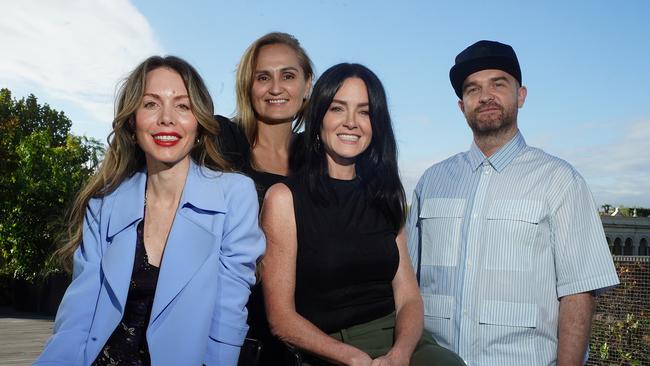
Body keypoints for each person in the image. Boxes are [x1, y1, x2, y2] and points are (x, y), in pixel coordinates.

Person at [35, 56, 264, 365]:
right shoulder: (103, 203)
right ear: (132, 122)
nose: (166, 118)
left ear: (199, 121)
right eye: (151, 104)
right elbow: (78, 316)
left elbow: (228, 316)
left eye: (182, 106)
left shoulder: (235, 195)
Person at [406, 40, 620, 365]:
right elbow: (406, 286)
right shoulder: (430, 183)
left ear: (521, 96)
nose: (485, 96)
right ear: (462, 105)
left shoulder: (560, 181)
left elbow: (578, 294)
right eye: (473, 88)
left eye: (498, 84)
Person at [262, 63, 465, 366]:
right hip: (328, 346)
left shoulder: (387, 195)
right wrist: (352, 357)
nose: (351, 122)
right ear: (318, 119)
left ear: (376, 124)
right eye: (338, 109)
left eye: (364, 111)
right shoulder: (284, 199)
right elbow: (281, 318)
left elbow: (409, 297)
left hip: (400, 340)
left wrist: (400, 353)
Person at [215, 31, 314, 365]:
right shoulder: (218, 143)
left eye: (288, 75)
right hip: (228, 338)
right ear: (248, 86)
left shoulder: (320, 158)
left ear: (307, 85)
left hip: (306, 340)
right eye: (263, 77)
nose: (275, 88)